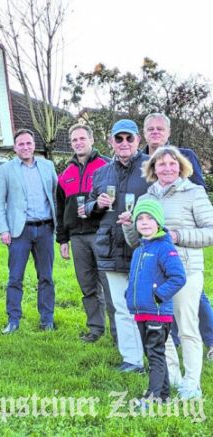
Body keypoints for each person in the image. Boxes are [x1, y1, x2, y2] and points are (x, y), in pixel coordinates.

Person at [121, 146, 213, 399]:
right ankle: (171, 376)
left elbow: (210, 231)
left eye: (172, 163)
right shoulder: (147, 196)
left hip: (185, 271)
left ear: (180, 166)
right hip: (154, 276)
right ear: (152, 169)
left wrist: (178, 235)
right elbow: (136, 240)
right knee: (163, 330)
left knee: (186, 327)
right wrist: (129, 226)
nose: (167, 168)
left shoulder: (194, 193)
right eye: (161, 164)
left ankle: (191, 384)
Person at [142, 112, 213, 360]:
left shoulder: (185, 158)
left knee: (194, 300)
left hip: (184, 252)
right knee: (165, 304)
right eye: (150, 129)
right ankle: (169, 353)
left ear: (169, 132)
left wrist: (179, 232)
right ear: (145, 133)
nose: (155, 133)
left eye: (160, 129)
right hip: (156, 252)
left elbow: (197, 198)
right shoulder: (143, 160)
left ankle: (211, 340)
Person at [86, 119, 149, 373]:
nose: (124, 143)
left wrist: (141, 218)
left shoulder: (150, 167)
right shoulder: (101, 172)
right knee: (121, 307)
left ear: (138, 141)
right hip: (111, 246)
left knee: (146, 305)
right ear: (111, 141)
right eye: (118, 138)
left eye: (129, 138)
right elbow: (86, 209)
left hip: (142, 246)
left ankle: (157, 357)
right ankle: (132, 360)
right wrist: (96, 205)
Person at [0, 129, 58, 334]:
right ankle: (13, 320)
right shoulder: (6, 170)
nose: (25, 147)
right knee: (15, 277)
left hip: (45, 229)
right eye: (21, 144)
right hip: (19, 232)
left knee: (46, 277)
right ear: (15, 147)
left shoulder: (47, 166)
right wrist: (3, 229)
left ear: (34, 145)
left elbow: (57, 196)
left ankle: (47, 320)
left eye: (29, 143)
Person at [123, 199, 185, 404]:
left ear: (158, 222)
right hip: (141, 311)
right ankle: (164, 396)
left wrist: (159, 295)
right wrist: (128, 294)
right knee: (153, 354)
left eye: (150, 218)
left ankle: (152, 397)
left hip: (158, 313)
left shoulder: (165, 248)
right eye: (140, 218)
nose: (144, 222)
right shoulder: (140, 249)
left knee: (155, 354)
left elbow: (178, 277)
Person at [55, 124, 113, 343]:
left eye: (82, 138)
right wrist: (62, 239)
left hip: (102, 234)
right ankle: (96, 329)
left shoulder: (107, 166)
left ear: (91, 140)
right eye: (74, 140)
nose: (78, 143)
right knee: (87, 286)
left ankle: (119, 332)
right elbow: (60, 209)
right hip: (77, 238)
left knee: (109, 285)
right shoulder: (65, 173)